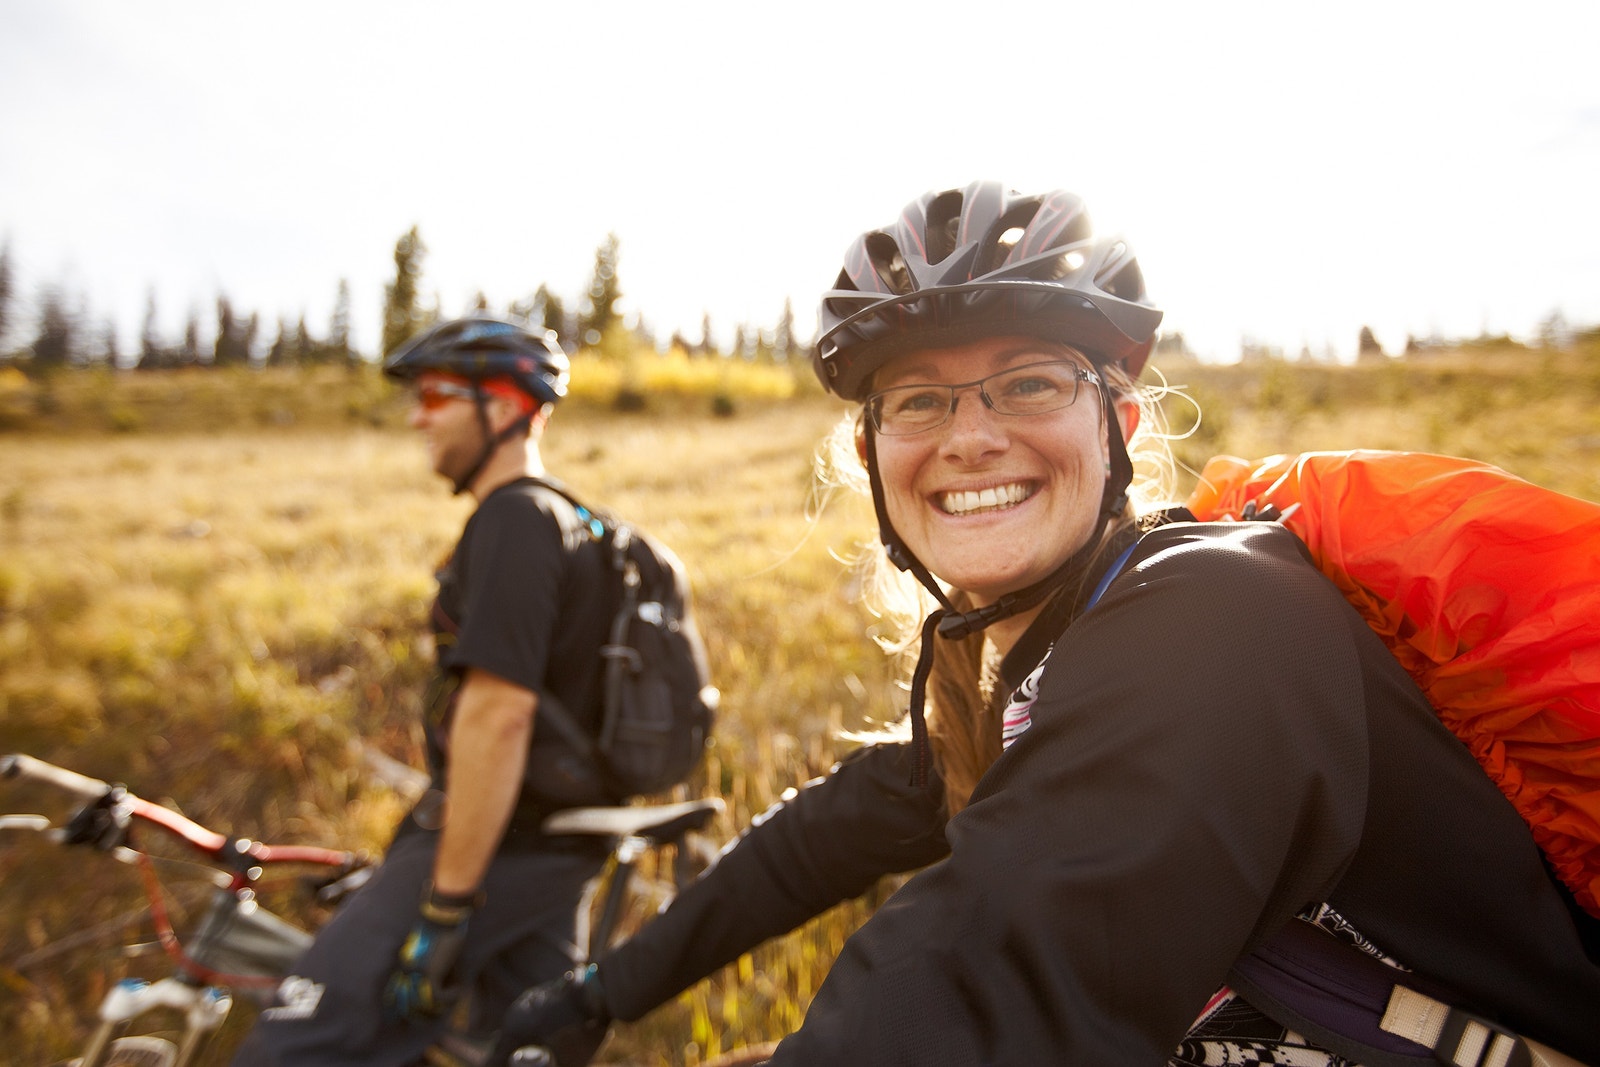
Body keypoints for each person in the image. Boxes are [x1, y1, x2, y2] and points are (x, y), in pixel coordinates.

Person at [490, 182, 1600, 1066]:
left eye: (1026, 383)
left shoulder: (1219, 620)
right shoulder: (1027, 669)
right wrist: (599, 990)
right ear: (872, 454)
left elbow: (982, 989)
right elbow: (823, 835)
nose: (969, 436)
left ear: (1120, 423)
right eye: (917, 399)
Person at [234, 314, 625, 1066]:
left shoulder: (513, 518)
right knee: (519, 1053)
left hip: (490, 845)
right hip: (560, 850)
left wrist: (446, 902)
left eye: (436, 396)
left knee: (291, 1046)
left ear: (504, 406)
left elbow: (499, 715)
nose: (418, 417)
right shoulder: (574, 522)